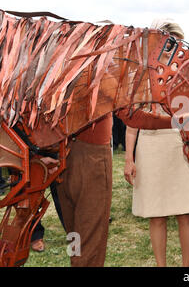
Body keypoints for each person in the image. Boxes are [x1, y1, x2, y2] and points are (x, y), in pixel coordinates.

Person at [124, 20, 189, 267]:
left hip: (180, 145)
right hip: (150, 146)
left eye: (172, 41)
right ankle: (161, 265)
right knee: (156, 214)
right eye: (164, 40)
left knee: (184, 211)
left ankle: (186, 267)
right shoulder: (140, 74)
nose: (168, 47)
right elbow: (132, 121)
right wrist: (129, 158)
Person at [56, 113, 113, 267]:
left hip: (64, 157)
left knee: (75, 237)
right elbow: (130, 116)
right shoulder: (102, 89)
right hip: (91, 159)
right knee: (89, 243)